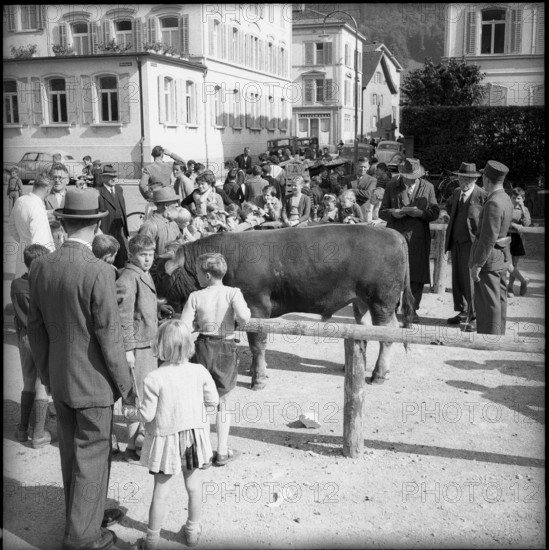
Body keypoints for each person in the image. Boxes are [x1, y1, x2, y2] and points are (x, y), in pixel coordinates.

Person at [28, 188, 135, 550]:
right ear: (96, 224)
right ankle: (83, 537)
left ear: (65, 222)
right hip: (93, 384)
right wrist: (127, 386)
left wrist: (46, 374)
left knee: (71, 455)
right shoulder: (99, 270)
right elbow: (110, 336)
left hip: (60, 378)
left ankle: (85, 516)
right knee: (92, 455)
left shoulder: (41, 266)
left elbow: (35, 330)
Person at [125, 321, 219, 550]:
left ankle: (151, 541)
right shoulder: (200, 371)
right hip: (193, 439)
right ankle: (192, 532)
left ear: (160, 346)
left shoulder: (154, 377)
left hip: (166, 441)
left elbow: (146, 415)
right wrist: (199, 419)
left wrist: (130, 413)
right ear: (189, 345)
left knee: (161, 492)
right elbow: (213, 402)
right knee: (194, 485)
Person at [180, 253, 251, 467]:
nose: (198, 279)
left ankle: (202, 452)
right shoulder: (232, 293)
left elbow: (184, 326)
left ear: (208, 275)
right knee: (223, 402)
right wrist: (233, 321)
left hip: (202, 346)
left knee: (200, 402)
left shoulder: (196, 296)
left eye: (200, 275)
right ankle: (221, 450)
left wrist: (198, 326)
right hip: (225, 347)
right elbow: (245, 317)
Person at [117, 234, 173, 463]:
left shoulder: (143, 273)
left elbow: (143, 308)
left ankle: (139, 438)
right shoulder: (128, 278)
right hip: (137, 347)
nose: (148, 259)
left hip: (148, 343)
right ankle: (132, 445)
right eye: (143, 255)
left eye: (150, 255)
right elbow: (124, 317)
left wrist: (159, 309)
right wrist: (128, 349)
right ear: (132, 255)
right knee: (135, 395)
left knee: (146, 392)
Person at [379, 158, 440, 322]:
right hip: (395, 238)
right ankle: (393, 308)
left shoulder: (428, 187)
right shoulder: (392, 186)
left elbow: (435, 213)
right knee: (394, 274)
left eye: (413, 177)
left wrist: (421, 214)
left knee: (417, 275)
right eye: (407, 177)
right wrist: (393, 212)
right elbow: (381, 212)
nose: (410, 180)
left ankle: (412, 310)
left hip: (418, 238)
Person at [11, 243, 52, 449]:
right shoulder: (45, 286)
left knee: (28, 383)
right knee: (42, 386)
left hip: (24, 337)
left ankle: (21, 429)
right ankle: (38, 434)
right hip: (41, 338)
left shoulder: (16, 285)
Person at [469, 161, 514, 335]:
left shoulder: (493, 202)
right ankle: (498, 335)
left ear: (487, 179)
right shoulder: (505, 198)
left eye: (483, 178)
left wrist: (477, 264)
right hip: (501, 254)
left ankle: (490, 337)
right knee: (499, 298)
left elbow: (488, 238)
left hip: (490, 256)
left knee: (489, 301)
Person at [444, 163, 487, 332]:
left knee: (470, 279)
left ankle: (475, 315)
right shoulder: (456, 193)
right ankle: (463, 311)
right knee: (458, 279)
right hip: (456, 242)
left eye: (468, 179)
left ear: (475, 179)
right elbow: (449, 207)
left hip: (472, 243)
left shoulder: (482, 195)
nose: (464, 181)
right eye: (461, 178)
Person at [8, 175, 55, 277]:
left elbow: (11, 226)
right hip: (36, 264)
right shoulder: (37, 210)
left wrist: (23, 240)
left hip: (22, 253)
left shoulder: (21, 200)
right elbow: (40, 244)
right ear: (47, 189)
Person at [98, 164, 130, 268]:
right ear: (103, 178)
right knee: (109, 255)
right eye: (110, 176)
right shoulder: (98, 192)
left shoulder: (119, 189)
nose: (114, 178)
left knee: (123, 254)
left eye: (115, 176)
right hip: (106, 229)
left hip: (120, 227)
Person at [138, 187, 181, 258]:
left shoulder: (173, 223)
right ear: (166, 205)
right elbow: (142, 252)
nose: (177, 204)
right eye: (174, 202)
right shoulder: (149, 226)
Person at [507, 187, 531, 297]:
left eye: (518, 198)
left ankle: (510, 287)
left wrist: (522, 207)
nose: (515, 200)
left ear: (523, 199)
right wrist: (514, 225)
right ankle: (523, 281)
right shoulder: (506, 207)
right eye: (513, 198)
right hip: (505, 236)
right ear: (510, 197)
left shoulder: (524, 209)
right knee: (507, 264)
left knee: (514, 264)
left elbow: (526, 224)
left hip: (517, 238)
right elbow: (502, 221)